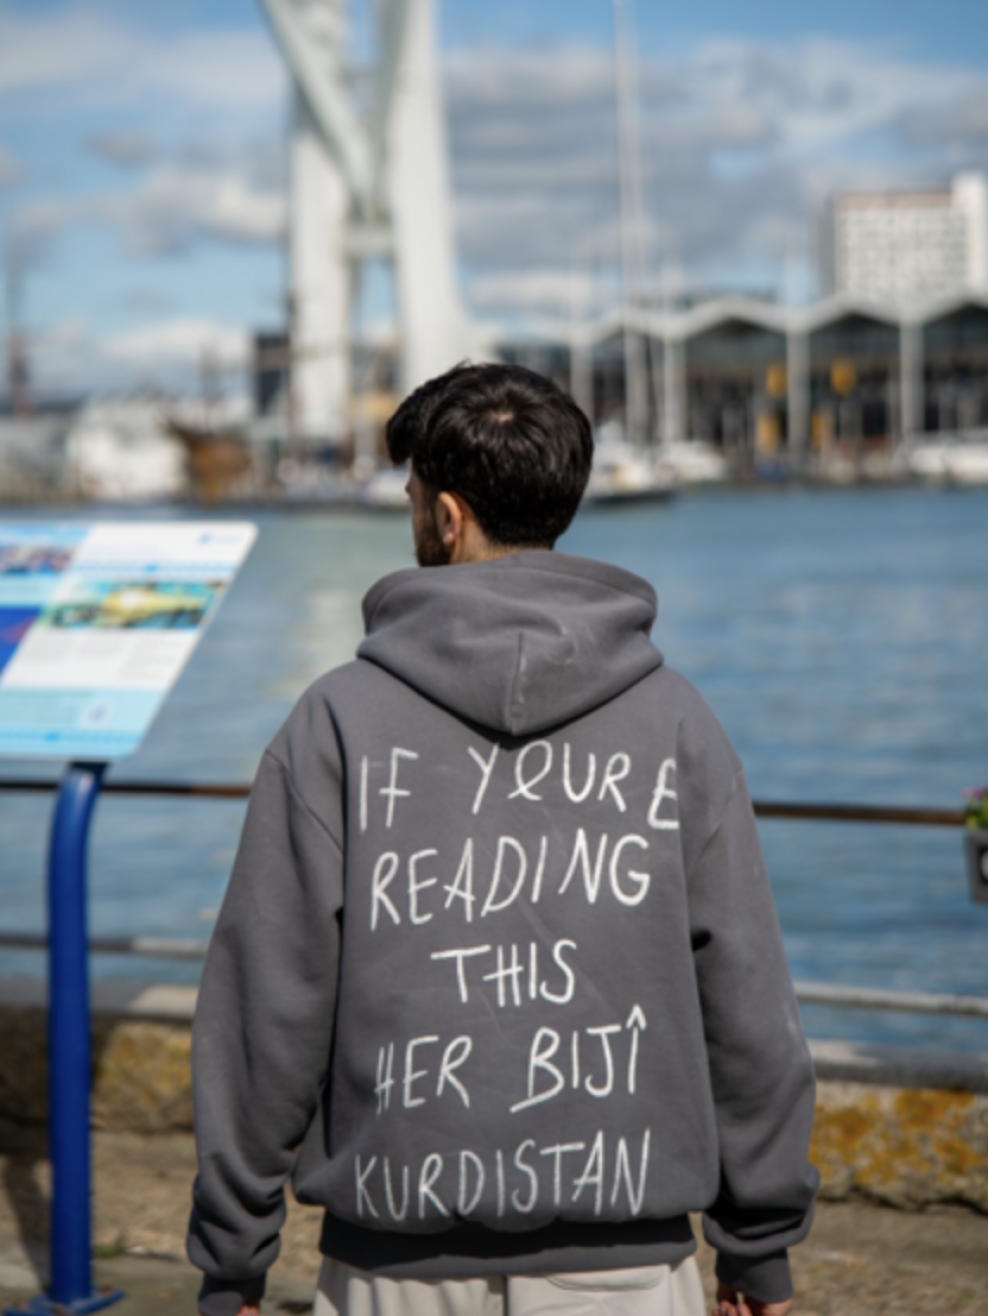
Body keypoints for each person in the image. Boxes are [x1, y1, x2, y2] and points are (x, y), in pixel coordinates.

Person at [187, 362, 818, 1316]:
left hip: (390, 1265)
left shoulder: (337, 720)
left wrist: (234, 1255)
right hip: (628, 1266)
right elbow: (747, 1001)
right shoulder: (676, 720)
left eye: (410, 494)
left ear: (446, 517)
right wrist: (758, 1245)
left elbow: (268, 1003)